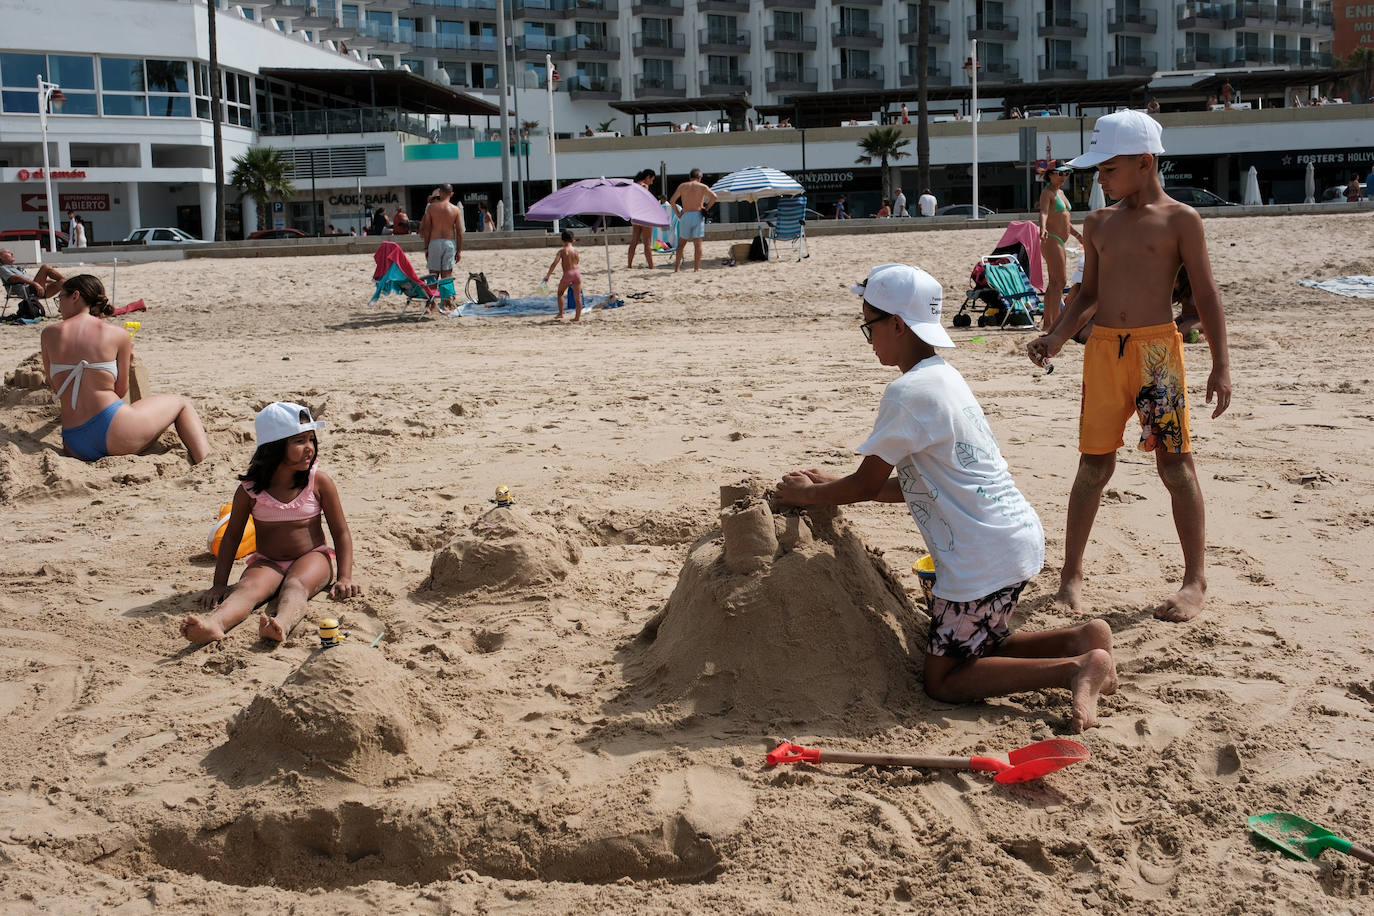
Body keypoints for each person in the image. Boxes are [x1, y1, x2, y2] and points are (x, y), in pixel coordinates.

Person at [776, 264, 1116, 732]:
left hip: (981, 558)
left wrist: (809, 495)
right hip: (1011, 536)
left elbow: (864, 486)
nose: (868, 337)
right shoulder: (943, 377)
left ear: (896, 324)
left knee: (944, 678)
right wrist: (836, 482)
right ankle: (1082, 638)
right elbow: (921, 485)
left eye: (868, 325)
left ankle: (1076, 668)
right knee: (980, 646)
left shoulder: (906, 393)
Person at [1027, 109, 1232, 624]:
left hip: (1158, 353)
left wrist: (1221, 365)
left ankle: (1194, 578)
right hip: (1102, 353)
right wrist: (1054, 338)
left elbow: (1205, 294)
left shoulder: (1180, 219)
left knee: (1175, 464)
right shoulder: (1099, 222)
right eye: (1097, 170)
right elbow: (1088, 294)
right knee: (1092, 465)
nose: (1099, 178)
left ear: (1145, 162)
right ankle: (1071, 574)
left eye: (1108, 168)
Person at [180, 401, 358, 645]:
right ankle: (214, 624)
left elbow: (341, 532)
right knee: (246, 589)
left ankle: (281, 623)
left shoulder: (318, 482)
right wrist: (219, 584)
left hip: (312, 557)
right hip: (267, 561)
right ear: (274, 448)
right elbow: (231, 537)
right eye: (299, 441)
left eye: (311, 440)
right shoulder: (249, 491)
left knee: (295, 586)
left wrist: (344, 576)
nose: (309, 448)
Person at [40, 274, 210, 465]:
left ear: (75, 296)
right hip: (117, 432)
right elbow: (120, 392)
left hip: (74, 442)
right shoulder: (117, 334)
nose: (59, 305)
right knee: (180, 403)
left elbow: (57, 389)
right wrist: (126, 363)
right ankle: (206, 461)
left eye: (59, 298)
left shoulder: (49, 334)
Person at [1038, 162, 1085, 330]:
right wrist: (1042, 228)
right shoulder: (1047, 193)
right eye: (1060, 173)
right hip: (1051, 238)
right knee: (1060, 281)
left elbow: (1065, 220)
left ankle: (1048, 323)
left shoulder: (1061, 193)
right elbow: (1043, 213)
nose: (1064, 177)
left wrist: (1079, 236)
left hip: (1060, 239)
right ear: (1050, 174)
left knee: (1054, 283)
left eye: (1067, 173)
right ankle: (1055, 322)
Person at [420, 184, 463, 311]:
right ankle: (446, 303)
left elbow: (427, 229)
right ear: (452, 194)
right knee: (447, 274)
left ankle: (430, 304)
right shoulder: (455, 210)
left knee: (433, 275)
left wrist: (426, 247)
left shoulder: (431, 208)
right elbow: (460, 232)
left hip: (434, 242)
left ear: (440, 192)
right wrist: (459, 250)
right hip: (449, 243)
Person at [669, 168, 717, 273]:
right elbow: (714, 197)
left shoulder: (682, 186)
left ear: (690, 177)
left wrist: (678, 214)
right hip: (697, 214)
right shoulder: (702, 187)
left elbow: (672, 201)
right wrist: (707, 208)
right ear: (699, 178)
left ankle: (677, 268)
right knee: (697, 244)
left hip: (685, 215)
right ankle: (696, 268)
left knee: (681, 244)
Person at [543, 228, 583, 321]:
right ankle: (577, 317)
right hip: (576, 273)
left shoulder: (561, 251)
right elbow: (577, 261)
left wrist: (548, 275)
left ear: (562, 240)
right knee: (577, 297)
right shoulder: (576, 251)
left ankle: (561, 313)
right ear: (572, 240)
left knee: (560, 293)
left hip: (567, 274)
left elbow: (554, 264)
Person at [1, 247, 66, 299]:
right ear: (1, 257)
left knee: (62, 282)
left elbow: (30, 278)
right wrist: (35, 284)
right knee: (45, 267)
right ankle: (70, 282)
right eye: (8, 252)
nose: (12, 253)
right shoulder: (2, 268)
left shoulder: (15, 267)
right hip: (28, 290)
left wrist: (49, 281)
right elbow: (14, 278)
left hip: (39, 288)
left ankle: (69, 285)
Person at [626, 168, 657, 269]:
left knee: (634, 241)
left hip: (635, 216)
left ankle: (629, 265)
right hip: (645, 216)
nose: (651, 183)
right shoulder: (644, 186)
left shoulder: (633, 185)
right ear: (647, 177)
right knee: (647, 242)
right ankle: (651, 266)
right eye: (652, 180)